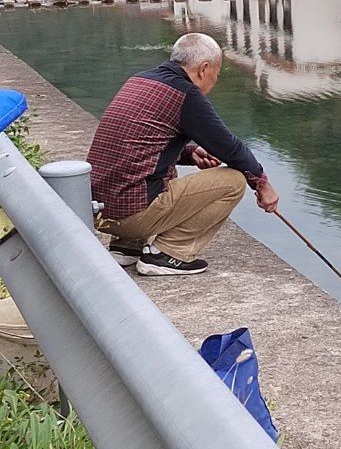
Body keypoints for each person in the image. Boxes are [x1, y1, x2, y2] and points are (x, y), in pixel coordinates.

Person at [87, 33, 279, 276]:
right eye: (216, 75)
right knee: (233, 181)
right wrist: (261, 183)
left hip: (100, 212)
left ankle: (126, 246)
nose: (214, 82)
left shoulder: (139, 80)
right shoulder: (185, 94)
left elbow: (141, 147)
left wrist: (190, 154)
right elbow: (231, 149)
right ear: (204, 68)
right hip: (131, 216)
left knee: (163, 171)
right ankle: (169, 253)